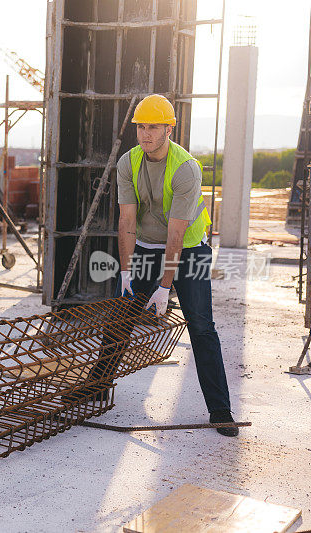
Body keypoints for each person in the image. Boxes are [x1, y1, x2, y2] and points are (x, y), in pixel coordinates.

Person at [105, 94, 238, 437]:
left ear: (169, 128)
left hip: (189, 249)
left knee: (201, 325)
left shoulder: (185, 168)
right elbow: (127, 221)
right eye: (141, 127)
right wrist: (126, 270)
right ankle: (96, 387)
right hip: (148, 246)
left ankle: (220, 410)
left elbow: (177, 234)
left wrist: (165, 288)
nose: (146, 134)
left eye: (153, 127)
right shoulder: (128, 162)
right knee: (122, 315)